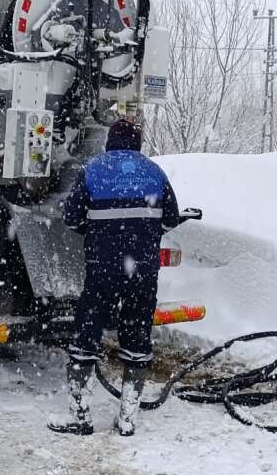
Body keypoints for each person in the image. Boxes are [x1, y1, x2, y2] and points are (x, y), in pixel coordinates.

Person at [48, 118, 180, 437]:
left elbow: (71, 218)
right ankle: (127, 420)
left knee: (86, 338)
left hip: (102, 271)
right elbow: (171, 219)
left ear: (110, 142)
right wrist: (144, 236)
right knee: (137, 340)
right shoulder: (154, 172)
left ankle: (80, 417)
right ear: (138, 143)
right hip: (142, 273)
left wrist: (98, 234)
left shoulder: (94, 170)